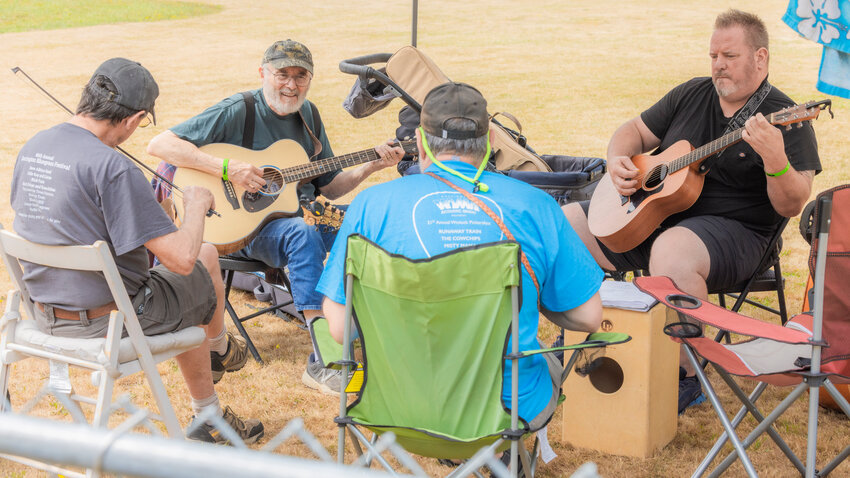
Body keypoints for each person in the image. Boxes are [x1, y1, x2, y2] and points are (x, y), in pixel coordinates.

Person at [563, 9, 821, 415]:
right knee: (568, 224)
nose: (718, 64)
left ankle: (684, 375)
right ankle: (592, 345)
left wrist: (775, 159)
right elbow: (634, 130)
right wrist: (616, 159)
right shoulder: (692, 93)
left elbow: (792, 202)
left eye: (729, 56)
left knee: (673, 248)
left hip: (739, 238)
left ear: (760, 58)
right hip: (654, 219)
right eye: (713, 55)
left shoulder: (786, 118)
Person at [317, 82, 603, 434]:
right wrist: (536, 300)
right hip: (506, 410)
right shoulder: (536, 205)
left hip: (395, 405)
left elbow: (339, 326)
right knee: (535, 355)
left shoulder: (370, 205)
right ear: (492, 142)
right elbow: (589, 317)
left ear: (420, 144)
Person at [10, 58, 263, 443]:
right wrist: (195, 206)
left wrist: (150, 213)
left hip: (42, 312)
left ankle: (219, 356)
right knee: (201, 262)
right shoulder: (114, 167)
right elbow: (180, 259)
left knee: (194, 277)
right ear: (134, 118)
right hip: (108, 321)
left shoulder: (34, 146)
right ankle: (215, 375)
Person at [146, 40, 405, 394]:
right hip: (245, 230)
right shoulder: (240, 109)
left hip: (306, 217)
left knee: (370, 218)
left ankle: (375, 324)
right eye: (282, 74)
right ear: (263, 73)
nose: (291, 84)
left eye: (301, 76)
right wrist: (227, 168)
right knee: (302, 234)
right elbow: (160, 144)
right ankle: (325, 361)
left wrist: (371, 166)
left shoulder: (308, 115)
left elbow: (328, 188)